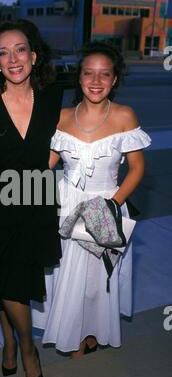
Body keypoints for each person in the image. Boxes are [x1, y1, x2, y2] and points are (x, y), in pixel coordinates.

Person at [32, 41, 151, 357]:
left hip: (107, 204)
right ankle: (70, 333)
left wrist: (111, 205)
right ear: (79, 77)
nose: (95, 81)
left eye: (104, 74)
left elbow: (137, 168)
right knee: (67, 274)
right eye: (88, 73)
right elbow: (47, 165)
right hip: (67, 204)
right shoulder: (62, 116)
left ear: (114, 80)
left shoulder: (125, 116)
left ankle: (92, 331)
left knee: (98, 278)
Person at [0, 19, 63, 377]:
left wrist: (54, 158)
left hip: (39, 199)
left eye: (20, 49)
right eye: (3, 52)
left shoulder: (53, 95)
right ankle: (28, 349)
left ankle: (12, 343)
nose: (13, 59)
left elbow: (71, 132)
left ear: (34, 54)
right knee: (7, 279)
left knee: (14, 281)